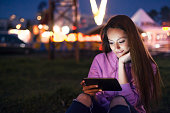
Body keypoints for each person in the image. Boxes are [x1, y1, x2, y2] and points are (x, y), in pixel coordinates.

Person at [66, 15, 162, 113]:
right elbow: (95, 98)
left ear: (132, 39)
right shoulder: (100, 60)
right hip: (103, 109)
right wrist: (91, 92)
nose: (116, 47)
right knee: (83, 97)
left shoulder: (148, 66)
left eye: (121, 41)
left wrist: (121, 65)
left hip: (129, 110)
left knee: (118, 100)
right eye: (111, 42)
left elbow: (133, 102)